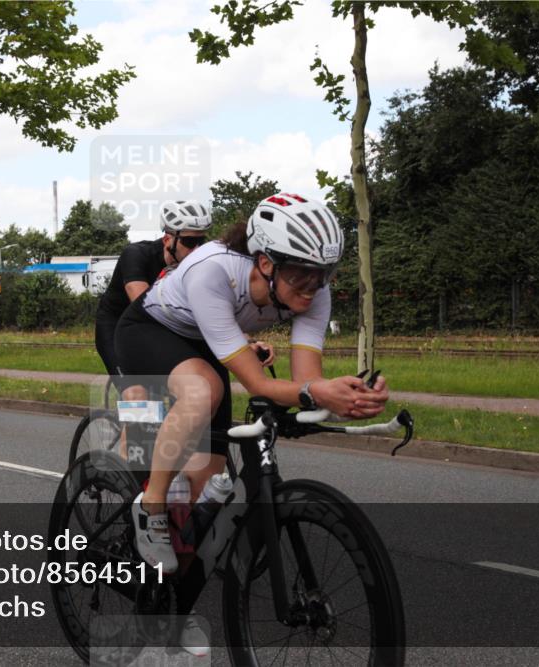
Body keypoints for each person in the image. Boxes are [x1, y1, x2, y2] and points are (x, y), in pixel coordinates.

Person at [115, 193, 390, 574]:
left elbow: (305, 381)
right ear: (265, 263)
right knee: (203, 390)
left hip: (203, 338)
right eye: (300, 274)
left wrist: (344, 395)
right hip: (148, 330)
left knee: (209, 488)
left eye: (323, 273)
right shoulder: (212, 270)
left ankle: (172, 602)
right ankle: (151, 506)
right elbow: (258, 384)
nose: (313, 286)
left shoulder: (314, 289)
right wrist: (315, 392)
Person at [94, 200, 212, 394]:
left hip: (153, 332)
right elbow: (145, 307)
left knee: (186, 390)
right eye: (190, 242)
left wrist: (245, 340)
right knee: (137, 394)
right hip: (116, 328)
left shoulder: (193, 267)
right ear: (168, 240)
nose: (197, 249)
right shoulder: (136, 255)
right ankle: (132, 423)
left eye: (201, 242)